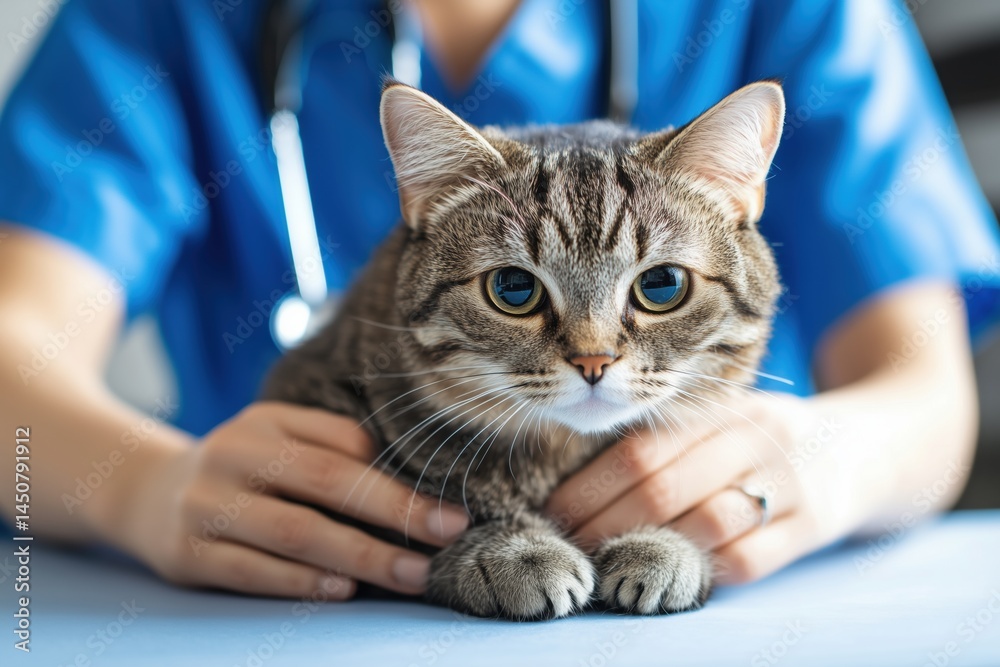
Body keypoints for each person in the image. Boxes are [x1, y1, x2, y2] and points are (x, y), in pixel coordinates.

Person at [1, 0, 998, 600]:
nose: (594, 354)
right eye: (519, 290)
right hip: (271, 579)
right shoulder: (160, 15)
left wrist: (828, 460)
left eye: (655, 287)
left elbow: (927, 398)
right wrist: (140, 489)